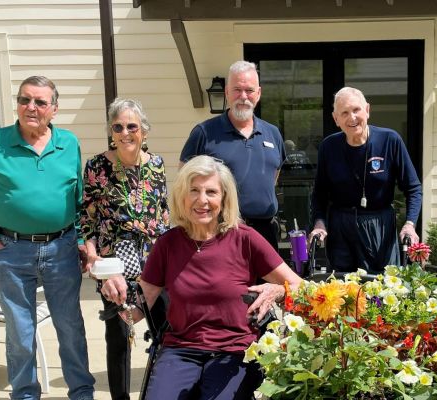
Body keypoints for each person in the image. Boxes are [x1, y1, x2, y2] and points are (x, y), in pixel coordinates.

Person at [101, 155, 302, 400]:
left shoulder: (245, 239)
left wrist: (276, 290)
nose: (202, 200)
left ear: (224, 198)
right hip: (181, 349)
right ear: (183, 197)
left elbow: (298, 285)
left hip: (235, 350)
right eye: (194, 190)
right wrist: (117, 295)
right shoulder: (167, 244)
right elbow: (138, 309)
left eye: (211, 192)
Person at [0, 76, 95, 399]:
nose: (31, 107)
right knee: (20, 330)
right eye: (24, 99)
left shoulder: (69, 143)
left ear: (54, 110)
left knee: (70, 325)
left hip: (61, 248)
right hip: (11, 250)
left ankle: (82, 391)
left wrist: (81, 241)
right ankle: (25, 394)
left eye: (40, 102)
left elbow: (78, 201)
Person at [81, 98, 170, 400]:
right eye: (118, 126)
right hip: (114, 263)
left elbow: (164, 213)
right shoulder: (97, 166)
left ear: (144, 131)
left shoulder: (156, 165)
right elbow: (88, 218)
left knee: (164, 332)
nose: (125, 132)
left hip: (155, 261)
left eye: (132, 126)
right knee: (118, 336)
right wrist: (92, 256)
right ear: (111, 131)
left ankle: (162, 391)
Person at [309, 87, 422, 272]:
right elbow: (320, 193)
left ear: (367, 110)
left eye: (356, 110)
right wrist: (319, 223)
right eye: (344, 113)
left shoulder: (390, 140)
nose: (352, 118)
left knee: (383, 288)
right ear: (336, 119)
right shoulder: (328, 147)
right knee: (342, 290)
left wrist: (410, 224)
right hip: (341, 226)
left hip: (379, 224)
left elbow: (413, 188)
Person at [179, 60, 286, 251]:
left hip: (265, 233)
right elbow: (184, 184)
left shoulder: (273, 134)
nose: (243, 96)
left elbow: (273, 177)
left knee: (270, 282)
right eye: (237, 89)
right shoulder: (204, 133)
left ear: (259, 93)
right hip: (220, 232)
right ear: (227, 92)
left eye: (249, 90)